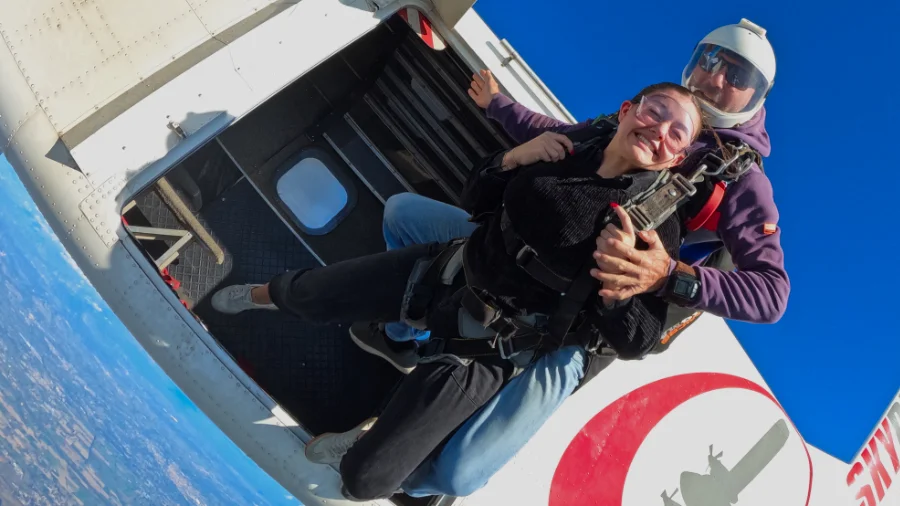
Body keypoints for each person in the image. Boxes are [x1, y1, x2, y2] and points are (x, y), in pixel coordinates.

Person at [310, 18, 789, 498]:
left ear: (755, 98)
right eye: (711, 61)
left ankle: (418, 482)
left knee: (462, 473)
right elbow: (564, 135)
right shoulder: (654, 114)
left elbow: (771, 294)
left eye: (737, 76)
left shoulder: (744, 182)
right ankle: (400, 338)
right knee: (403, 214)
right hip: (528, 260)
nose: (716, 78)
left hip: (584, 326)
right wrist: (498, 107)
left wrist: (668, 274)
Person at [211, 81, 705, 500]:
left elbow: (639, 340)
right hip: (450, 273)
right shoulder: (566, 149)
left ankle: (375, 435)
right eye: (653, 112)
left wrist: (621, 286)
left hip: (489, 345)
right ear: (627, 111)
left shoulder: (654, 230)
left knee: (366, 480)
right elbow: (477, 200)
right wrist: (512, 157)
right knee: (313, 294)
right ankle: (258, 294)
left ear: (678, 157)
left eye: (674, 133)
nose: (658, 131)